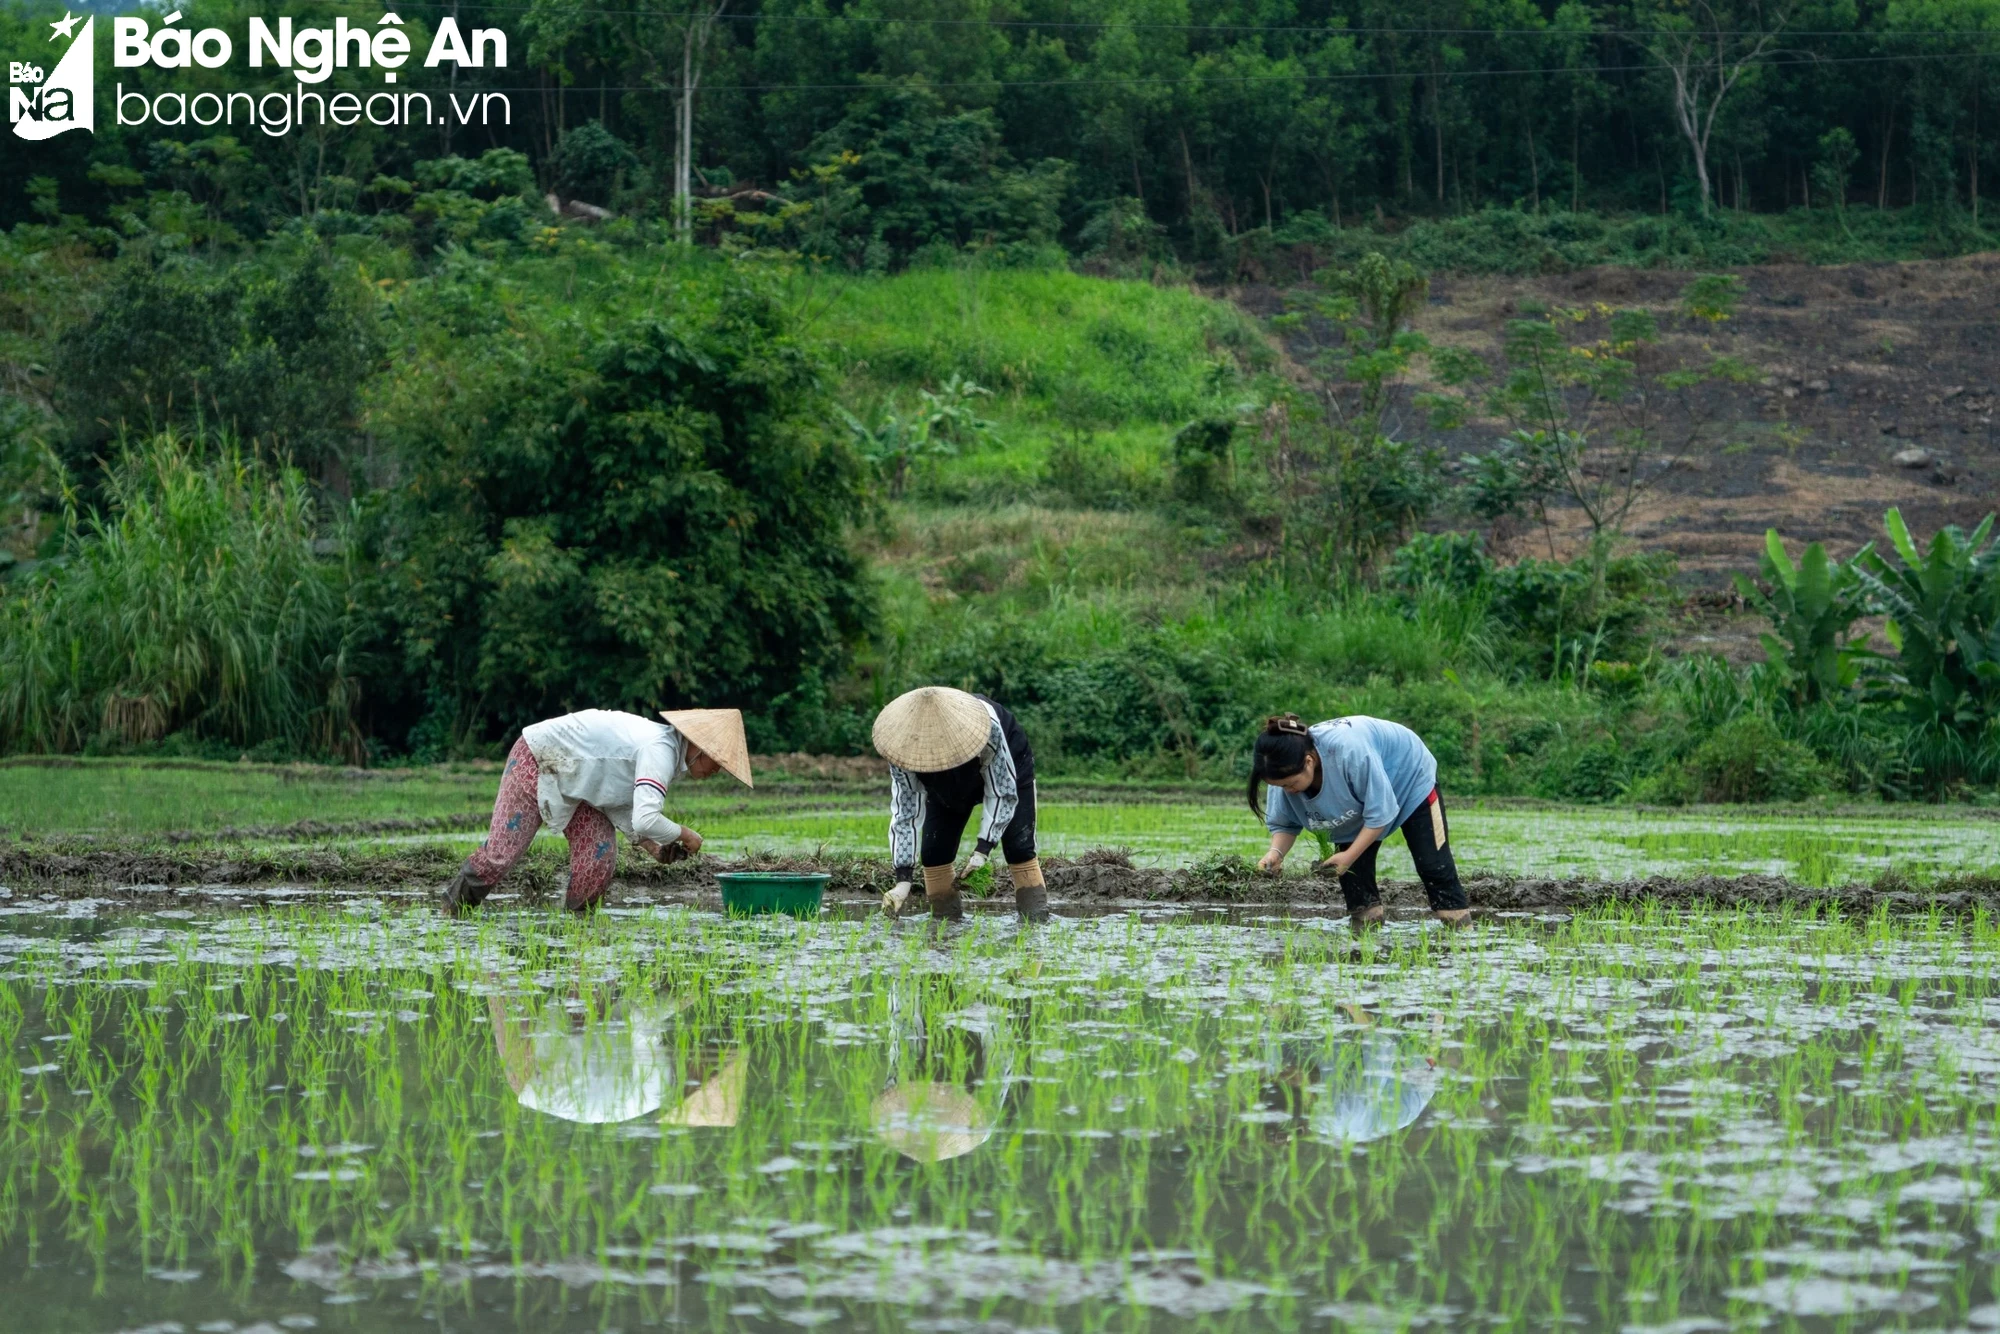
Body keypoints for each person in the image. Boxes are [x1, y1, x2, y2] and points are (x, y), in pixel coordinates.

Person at [441, 707, 753, 915]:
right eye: (719, 762)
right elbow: (645, 817)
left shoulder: (666, 755)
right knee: (502, 853)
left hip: (579, 781)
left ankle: (579, 931)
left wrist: (652, 847)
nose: (718, 771)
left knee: (598, 859)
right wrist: (686, 834)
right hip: (539, 756)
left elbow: (616, 799)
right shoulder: (660, 750)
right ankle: (452, 914)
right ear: (701, 748)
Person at [1248, 713, 1471, 926]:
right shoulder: (1281, 772)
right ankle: (1364, 945)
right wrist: (1276, 853)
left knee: (1434, 867)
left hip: (1410, 775)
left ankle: (1461, 940)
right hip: (1355, 796)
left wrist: (1349, 856)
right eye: (1279, 786)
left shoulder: (1349, 753)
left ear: (1308, 761)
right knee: (1356, 887)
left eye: (1290, 784)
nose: (1287, 791)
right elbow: (1286, 823)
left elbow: (1379, 814)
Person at [871, 686, 1046, 923]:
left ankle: (1035, 922)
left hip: (1009, 761)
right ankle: (946, 925)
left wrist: (983, 849)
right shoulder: (903, 750)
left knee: (1019, 847)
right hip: (945, 783)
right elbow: (906, 812)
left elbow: (1002, 793)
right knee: (934, 854)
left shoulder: (986, 729)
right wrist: (902, 880)